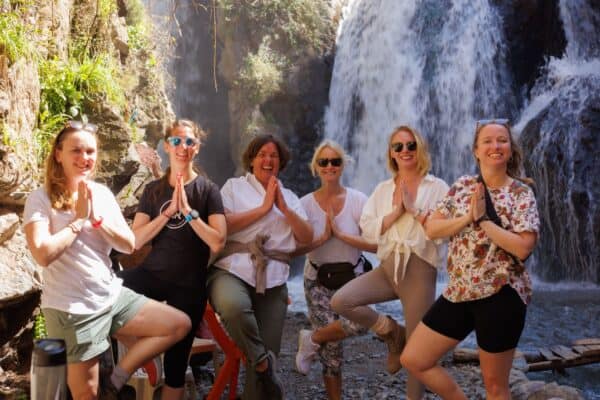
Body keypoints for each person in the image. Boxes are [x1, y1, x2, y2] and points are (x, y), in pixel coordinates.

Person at [23, 120, 191, 400]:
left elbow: (129, 244)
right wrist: (78, 220)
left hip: (110, 296)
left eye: (90, 151)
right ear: (58, 154)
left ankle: (116, 379)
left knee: (178, 324)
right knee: (87, 395)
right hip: (73, 309)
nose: (84, 158)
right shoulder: (40, 199)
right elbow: (43, 254)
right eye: (76, 150)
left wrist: (97, 220)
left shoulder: (101, 194)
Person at [400, 119, 539, 400]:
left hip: (501, 294)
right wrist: (467, 218)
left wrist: (483, 220)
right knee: (414, 359)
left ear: (510, 150)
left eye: (502, 140)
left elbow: (523, 247)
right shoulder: (463, 185)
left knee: (495, 388)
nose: (495, 146)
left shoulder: (521, 194)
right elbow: (432, 228)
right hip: (460, 291)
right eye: (487, 141)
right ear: (476, 151)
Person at [331, 125, 449, 399]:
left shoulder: (437, 187)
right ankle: (393, 333)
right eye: (398, 146)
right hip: (387, 268)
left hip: (419, 271)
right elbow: (368, 228)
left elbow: (445, 232)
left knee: (417, 352)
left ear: (419, 148)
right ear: (391, 153)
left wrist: (414, 210)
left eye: (411, 145)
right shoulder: (383, 189)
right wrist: (397, 212)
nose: (405, 150)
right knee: (341, 301)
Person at [120, 119, 227, 400]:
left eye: (189, 141)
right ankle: (142, 354)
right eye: (177, 141)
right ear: (167, 146)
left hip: (189, 285)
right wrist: (167, 214)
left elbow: (217, 241)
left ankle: (146, 360)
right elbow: (136, 241)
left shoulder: (208, 191)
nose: (183, 146)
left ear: (197, 148)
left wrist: (189, 212)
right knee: (103, 292)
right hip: (152, 274)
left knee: (177, 366)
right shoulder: (153, 190)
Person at [208, 133, 313, 400]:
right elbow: (222, 225)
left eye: (274, 155)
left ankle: (260, 376)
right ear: (252, 160)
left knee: (266, 354)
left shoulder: (290, 197)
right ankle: (264, 365)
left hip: (273, 278)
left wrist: (284, 208)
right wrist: (264, 208)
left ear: (281, 162)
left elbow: (307, 237)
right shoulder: (234, 187)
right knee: (233, 306)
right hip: (232, 268)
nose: (268, 160)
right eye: (262, 154)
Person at [293, 140, 377, 400]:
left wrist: (341, 235)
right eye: (324, 162)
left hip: (353, 278)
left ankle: (312, 337)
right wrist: (322, 239)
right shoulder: (304, 204)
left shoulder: (358, 200)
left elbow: (376, 244)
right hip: (316, 281)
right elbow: (292, 250)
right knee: (332, 352)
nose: (329, 166)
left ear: (343, 165)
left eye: (335, 161)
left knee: (364, 322)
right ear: (315, 167)